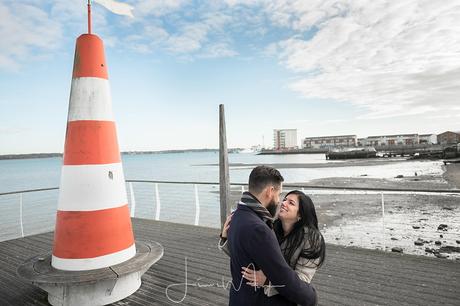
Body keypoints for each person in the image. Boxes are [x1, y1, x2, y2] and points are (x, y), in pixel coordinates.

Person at [219, 165, 317, 306]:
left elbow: (246, 252)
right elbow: (283, 278)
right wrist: (311, 297)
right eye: (279, 195)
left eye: (290, 202)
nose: (280, 202)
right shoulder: (260, 229)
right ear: (270, 191)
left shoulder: (236, 216)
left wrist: (224, 238)